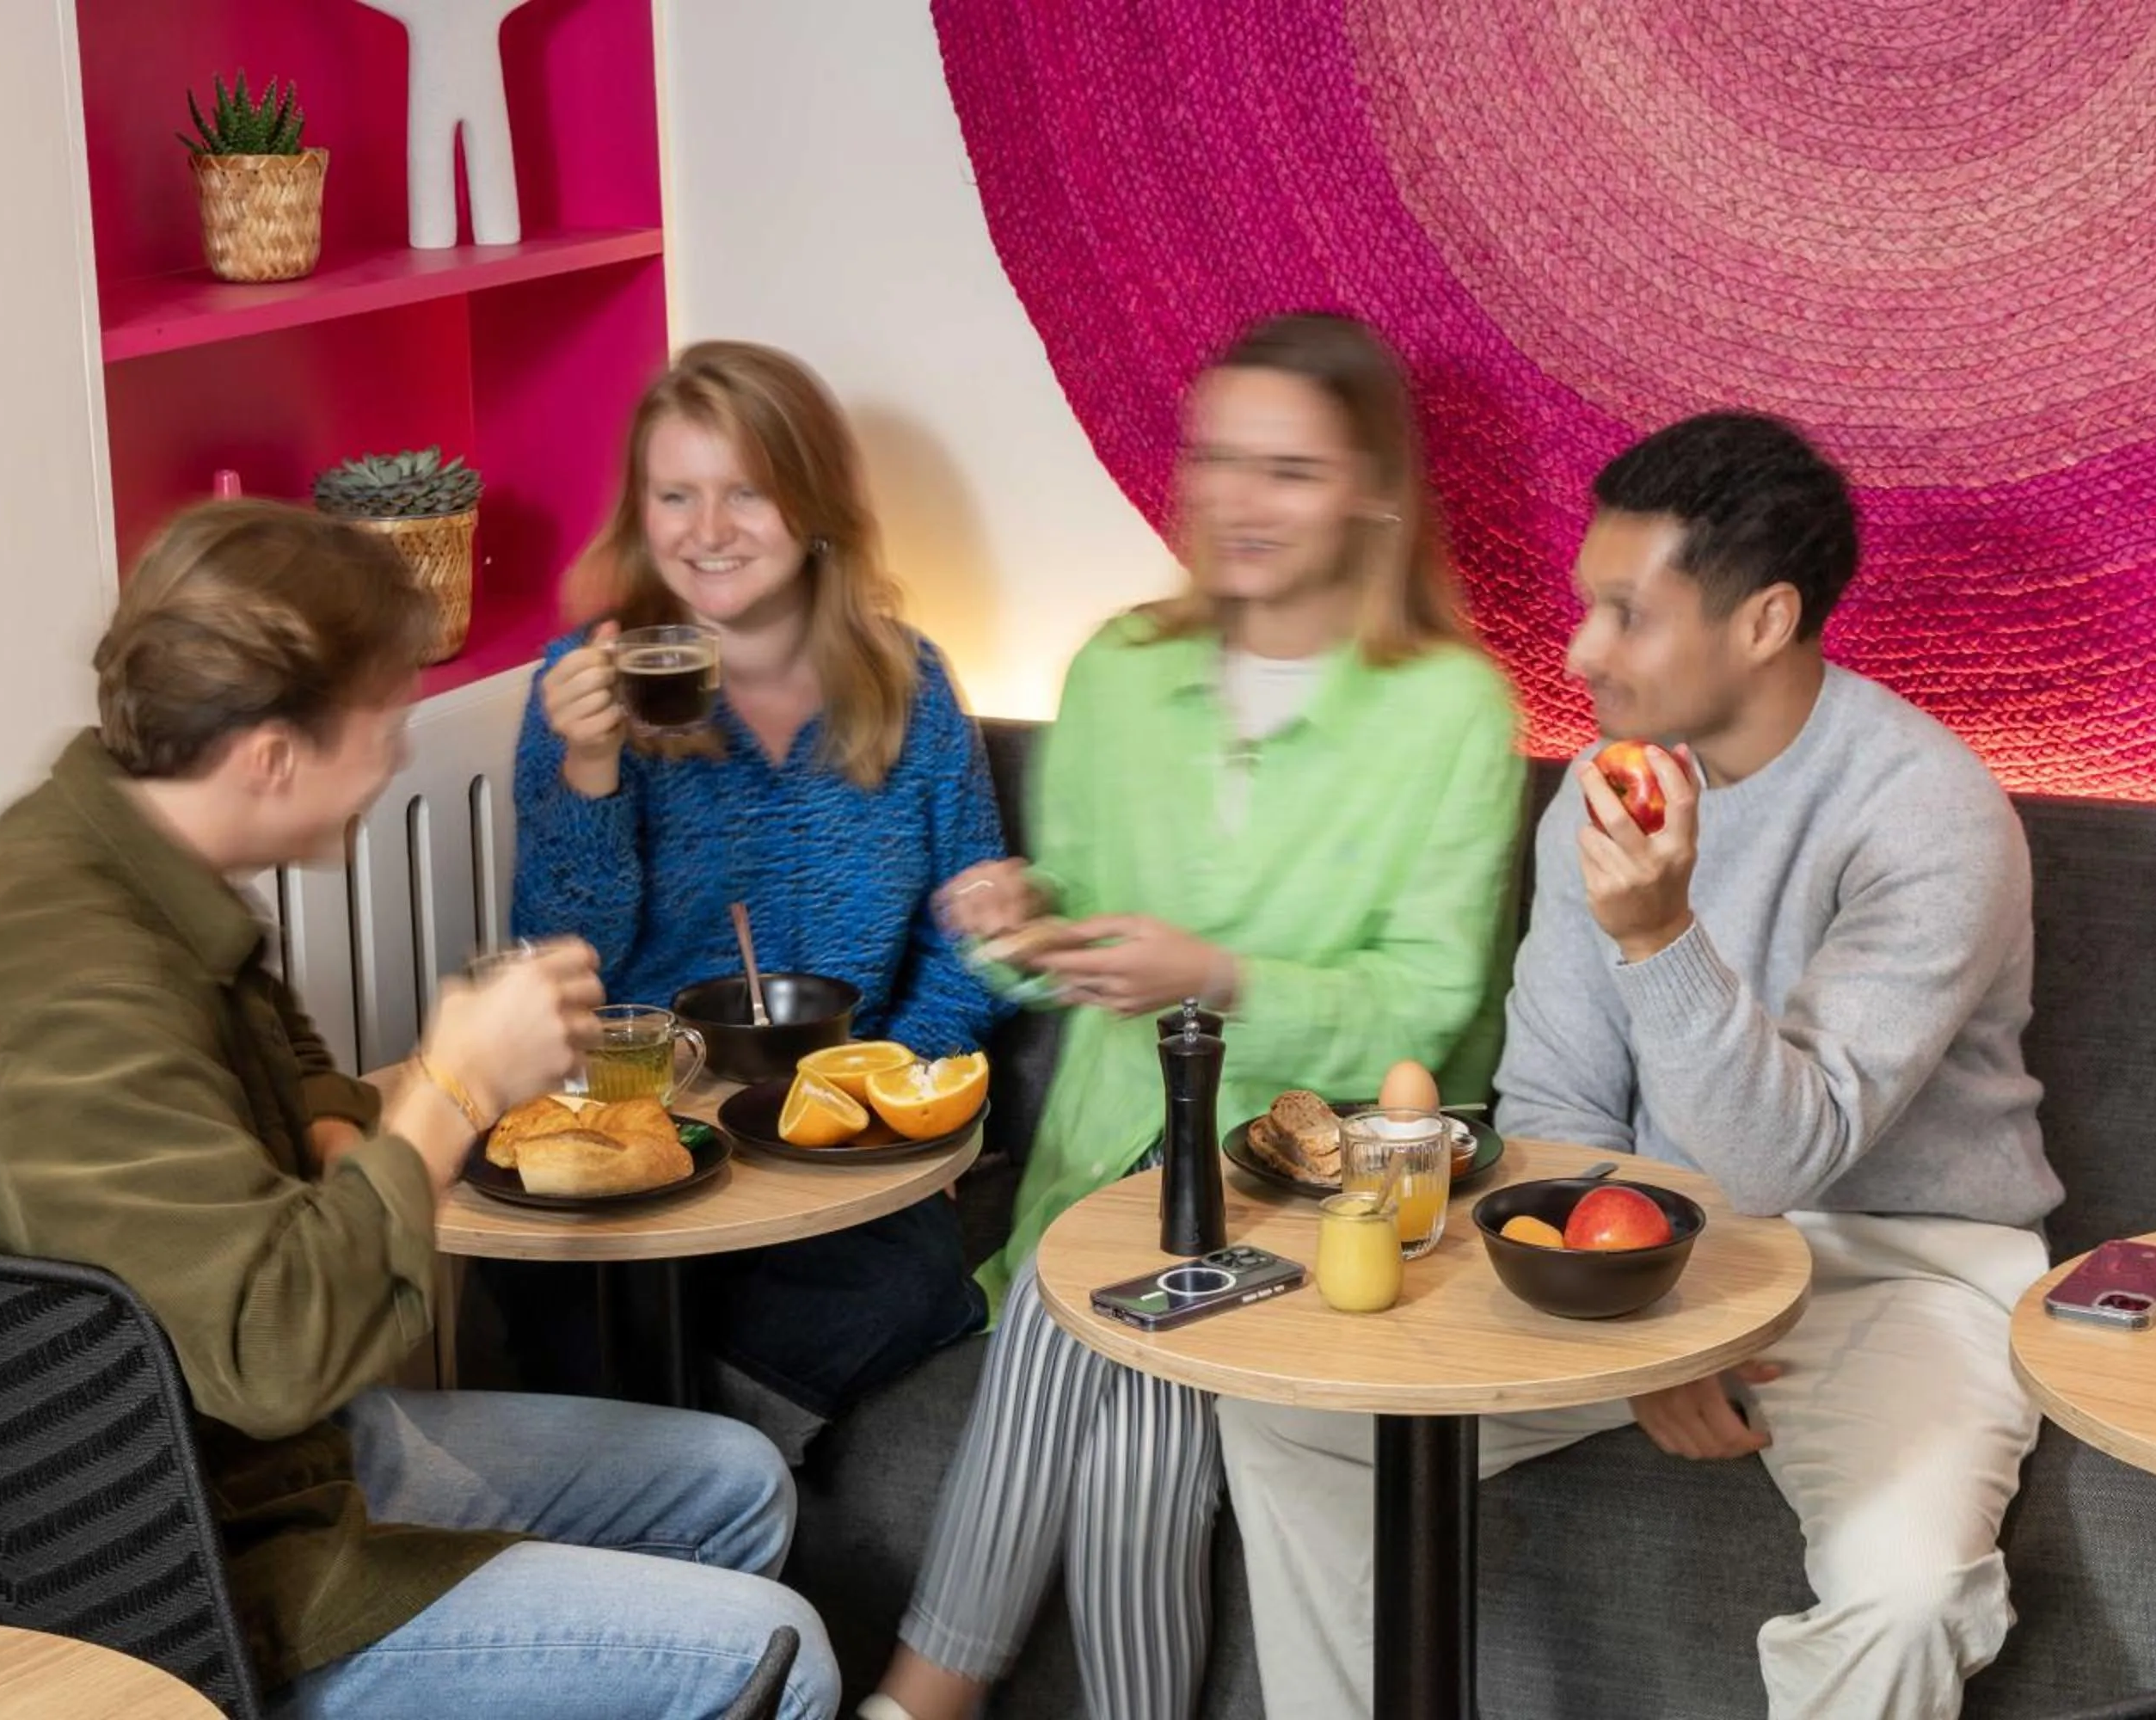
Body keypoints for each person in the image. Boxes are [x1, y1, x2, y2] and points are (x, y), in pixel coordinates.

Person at [0, 501, 838, 1720]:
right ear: (271, 757)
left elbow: (279, 1049)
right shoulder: (69, 992)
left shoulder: (103, 850)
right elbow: (278, 1349)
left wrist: (345, 1134)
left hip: (241, 1466)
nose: (401, 755)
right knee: (778, 1649)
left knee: (731, 1479)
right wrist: (454, 1090)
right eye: (386, 723)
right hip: (176, 1577)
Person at [1218, 412, 2067, 1720]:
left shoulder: (1927, 816)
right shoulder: (1604, 793)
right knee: (1291, 1414)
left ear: (1765, 621)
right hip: (1641, 1247)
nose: (1579, 651)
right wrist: (1646, 1316)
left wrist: (1660, 935)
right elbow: (1553, 1108)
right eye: (1585, 606)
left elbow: (1788, 1156)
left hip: (1896, 1270)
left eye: (1627, 613)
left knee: (1904, 1598)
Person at [862, 313, 1527, 1720]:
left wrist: (1212, 977)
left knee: (1081, 1305)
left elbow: (1432, 1009)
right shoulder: (1117, 671)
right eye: (1216, 457)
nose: (1237, 499)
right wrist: (1022, 920)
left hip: (1338, 1189)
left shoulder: (1453, 710)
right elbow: (1087, 929)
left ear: (1369, 495)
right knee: (1133, 1444)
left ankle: (925, 1695)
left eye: (1288, 470)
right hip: (1116, 1166)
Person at [507, 341, 1009, 1445]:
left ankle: (700, 1468)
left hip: (830, 1136)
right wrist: (588, 776)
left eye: (747, 492)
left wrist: (899, 1096)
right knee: (574, 1301)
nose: (708, 529)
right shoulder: (584, 689)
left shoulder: (910, 684)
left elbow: (973, 932)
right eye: (675, 494)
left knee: (908, 1282)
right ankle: (690, 1488)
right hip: (648, 1130)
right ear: (642, 514)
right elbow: (556, 962)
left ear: (815, 504)